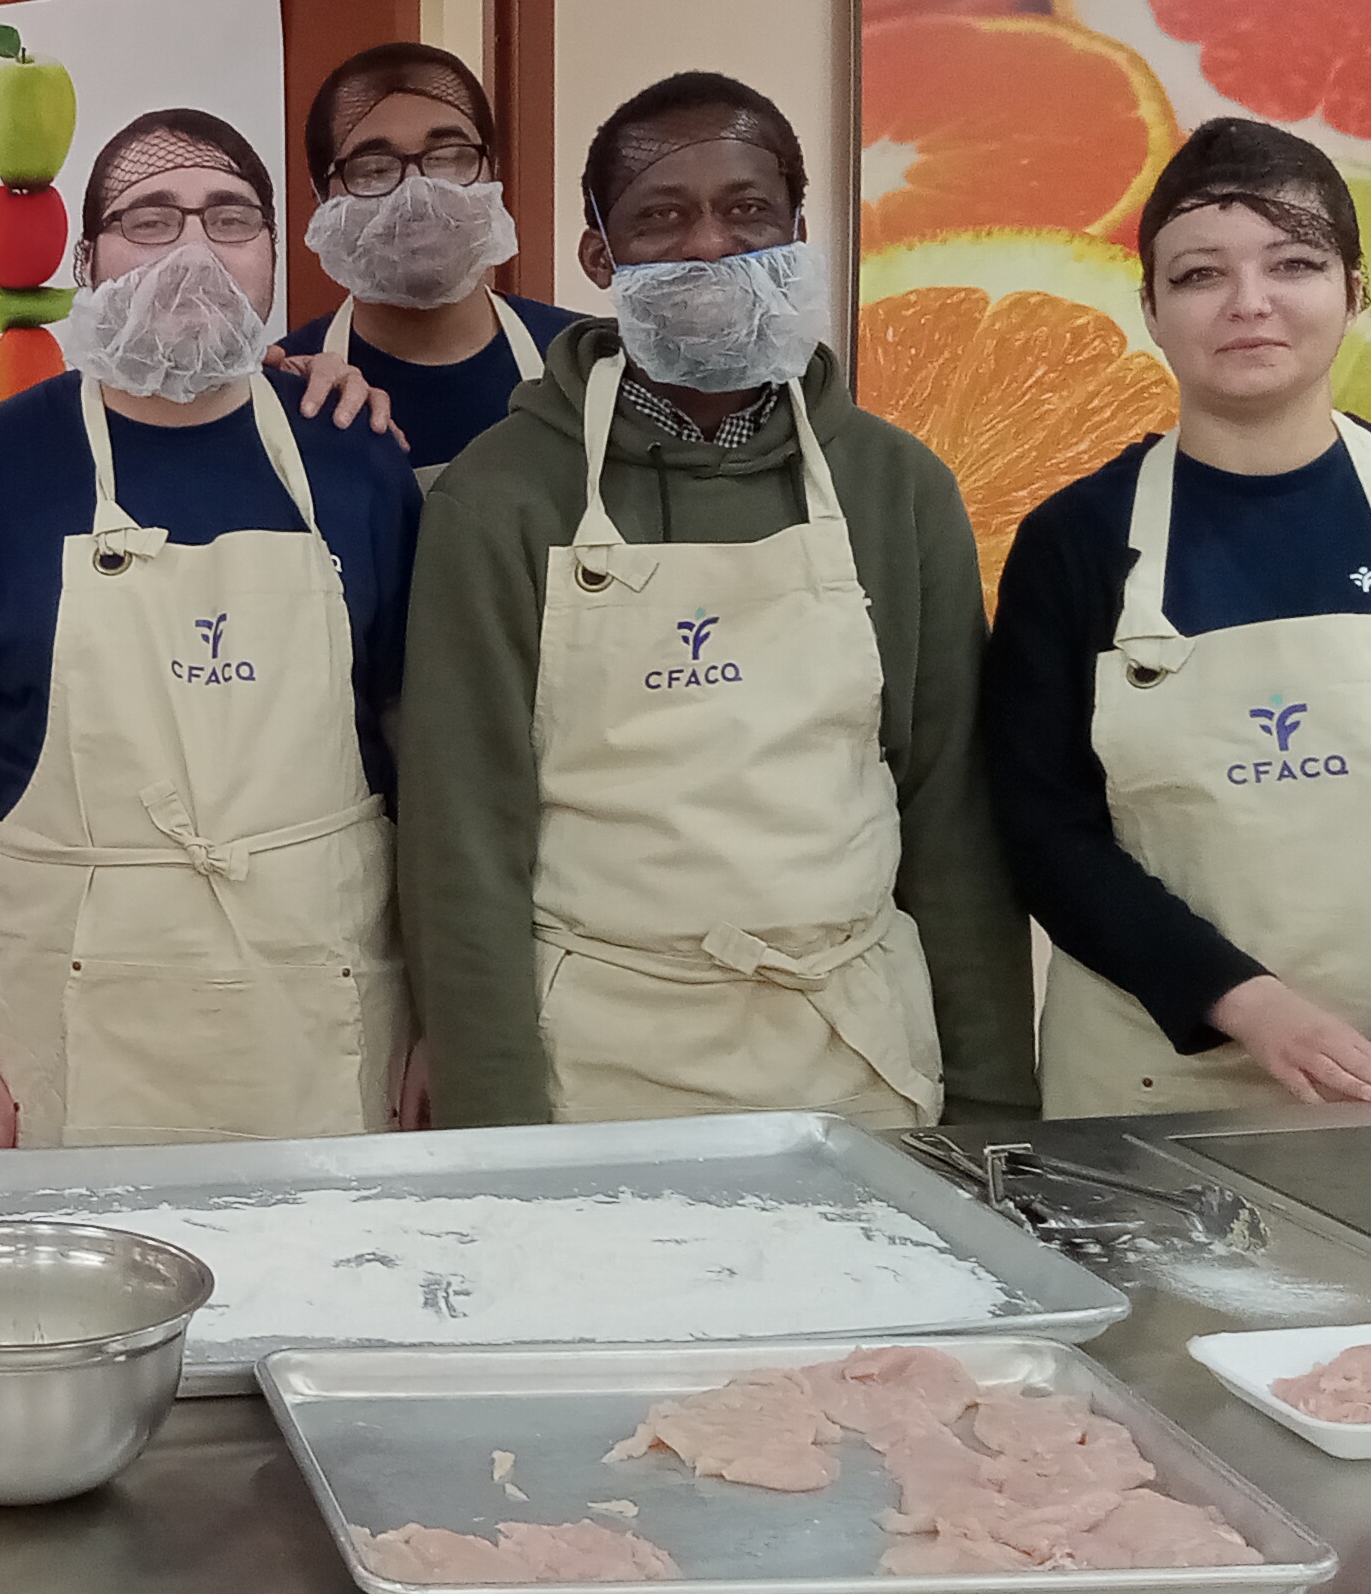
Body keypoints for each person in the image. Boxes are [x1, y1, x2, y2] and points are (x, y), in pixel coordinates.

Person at [397, 71, 1034, 1130]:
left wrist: (993, 1109)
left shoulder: (893, 484)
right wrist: (495, 1132)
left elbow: (952, 813)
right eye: (660, 215)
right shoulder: (499, 494)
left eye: (746, 210)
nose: (708, 244)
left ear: (795, 228)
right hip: (596, 1068)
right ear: (597, 255)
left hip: (857, 1057)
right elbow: (461, 845)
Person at [988, 120, 1371, 1112]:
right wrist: (1247, 1004)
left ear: (1356, 293)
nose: (1248, 304)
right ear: (1148, 306)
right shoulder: (1074, 540)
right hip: (1158, 1076)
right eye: (1197, 276)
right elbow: (1040, 828)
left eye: (1293, 263)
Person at [0, 107, 426, 1153]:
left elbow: (422, 755)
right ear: (86, 259)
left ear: (272, 255)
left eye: (229, 219)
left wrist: (437, 1022)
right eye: (148, 219)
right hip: (72, 1025)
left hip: (318, 1015)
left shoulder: (354, 459)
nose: (191, 251)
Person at [279, 41, 578, 481]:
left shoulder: (585, 361)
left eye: (448, 159)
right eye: (375, 168)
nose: (417, 196)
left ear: (492, 171)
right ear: (322, 199)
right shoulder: (290, 385)